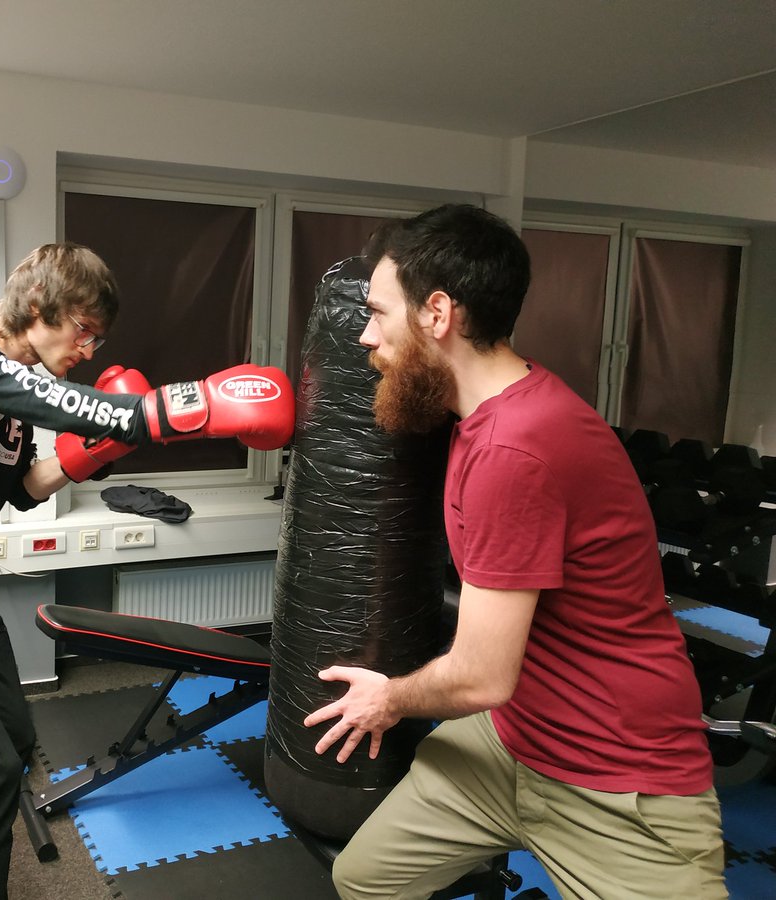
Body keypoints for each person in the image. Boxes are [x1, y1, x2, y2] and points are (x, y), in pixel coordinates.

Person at [0, 242, 293, 900]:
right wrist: (172, 409)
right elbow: (53, 399)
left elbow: (24, 489)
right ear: (36, 304)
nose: (89, 349)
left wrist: (97, 453)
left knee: (12, 745)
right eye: (83, 330)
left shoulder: (10, 406)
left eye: (97, 339)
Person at [303, 205, 725, 899]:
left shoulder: (514, 448)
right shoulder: (485, 414)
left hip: (615, 774)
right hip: (515, 738)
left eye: (377, 313)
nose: (364, 335)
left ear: (437, 313)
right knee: (367, 881)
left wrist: (389, 699)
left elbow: (479, 678)